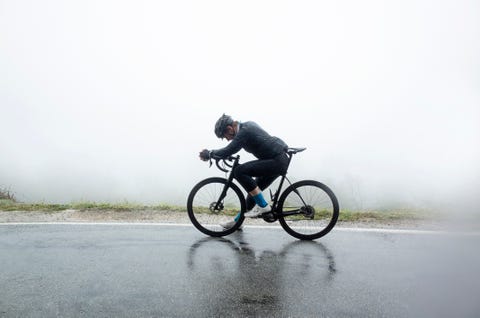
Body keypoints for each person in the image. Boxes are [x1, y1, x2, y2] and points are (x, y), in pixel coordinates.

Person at [199, 114, 289, 229]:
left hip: (276, 161)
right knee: (253, 192)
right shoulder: (247, 126)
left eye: (225, 136)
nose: (227, 139)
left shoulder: (244, 131)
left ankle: (263, 206)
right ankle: (238, 222)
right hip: (276, 160)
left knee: (239, 171)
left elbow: (230, 149)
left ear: (229, 128)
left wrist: (210, 153)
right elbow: (233, 147)